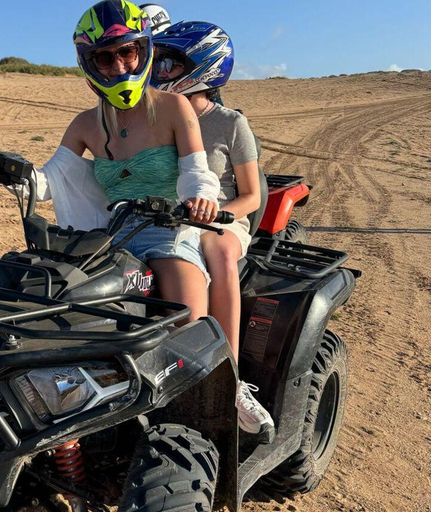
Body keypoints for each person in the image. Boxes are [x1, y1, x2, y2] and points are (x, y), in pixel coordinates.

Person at [0, 0, 220, 323]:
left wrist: (200, 198)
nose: (118, 67)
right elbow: (48, 182)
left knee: (188, 322)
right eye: (104, 58)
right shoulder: (85, 125)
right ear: (89, 65)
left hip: (170, 233)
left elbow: (195, 171)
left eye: (127, 52)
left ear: (144, 52)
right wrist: (5, 168)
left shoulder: (174, 108)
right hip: (110, 239)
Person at [152, 21, 274, 437]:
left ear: (204, 65)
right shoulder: (156, 115)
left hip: (222, 219)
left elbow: (253, 195)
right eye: (158, 61)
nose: (160, 71)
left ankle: (231, 378)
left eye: (169, 62)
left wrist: (217, 216)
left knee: (216, 250)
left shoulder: (229, 123)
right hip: (166, 217)